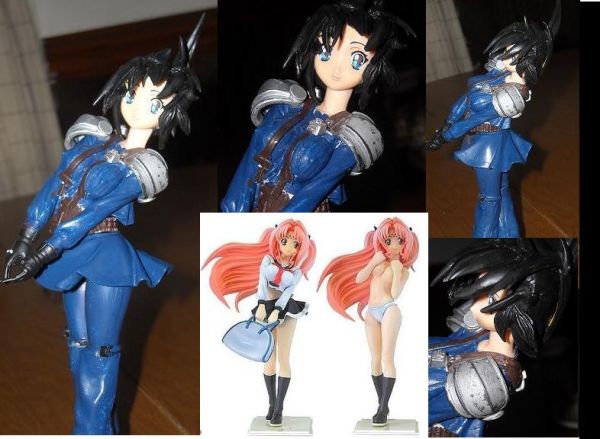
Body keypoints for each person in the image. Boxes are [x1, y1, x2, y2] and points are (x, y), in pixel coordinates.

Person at [2, 17, 203, 434]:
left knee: (101, 351)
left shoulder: (143, 168)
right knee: (77, 344)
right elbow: (54, 188)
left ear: (169, 114)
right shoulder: (91, 140)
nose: (137, 105)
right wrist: (25, 237)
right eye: (133, 92)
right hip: (69, 248)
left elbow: (90, 213)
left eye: (154, 103)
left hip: (105, 254)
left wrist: (42, 252)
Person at [221, 0, 414, 212]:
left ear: (376, 63)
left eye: (357, 58)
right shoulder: (284, 106)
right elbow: (250, 163)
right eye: (326, 50)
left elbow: (311, 195)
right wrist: (232, 214)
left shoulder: (351, 137)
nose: (336, 67)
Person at [425, 0, 561, 237]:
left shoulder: (512, 93)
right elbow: (467, 98)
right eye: (506, 48)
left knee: (489, 199)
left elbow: (476, 117)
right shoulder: (498, 75)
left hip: (490, 147)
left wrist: (445, 136)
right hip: (484, 141)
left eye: (511, 51)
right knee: (501, 192)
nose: (504, 54)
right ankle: (509, 236)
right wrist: (448, 120)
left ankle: (484, 240)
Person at [428, 239, 574, 437]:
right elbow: (494, 239)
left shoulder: (485, 382)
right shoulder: (478, 331)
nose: (474, 305)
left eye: (489, 298)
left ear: (519, 311)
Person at [202, 219, 316, 426]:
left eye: (295, 244)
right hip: (265, 308)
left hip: (285, 311)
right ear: (277, 241)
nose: (289, 247)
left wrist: (278, 310)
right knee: (268, 360)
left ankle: (279, 408)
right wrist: (262, 304)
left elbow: (288, 293)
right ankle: (271, 404)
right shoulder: (267, 260)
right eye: (285, 241)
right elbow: (261, 284)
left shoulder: (297, 271)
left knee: (284, 358)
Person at [318, 217, 419, 426]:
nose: (393, 245)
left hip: (389, 310)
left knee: (387, 358)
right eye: (388, 240)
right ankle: (382, 403)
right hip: (372, 312)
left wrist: (397, 271)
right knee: (374, 360)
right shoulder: (377, 262)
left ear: (406, 243)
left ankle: (382, 408)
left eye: (399, 240)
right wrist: (373, 262)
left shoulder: (403, 270)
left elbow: (394, 293)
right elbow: (359, 279)